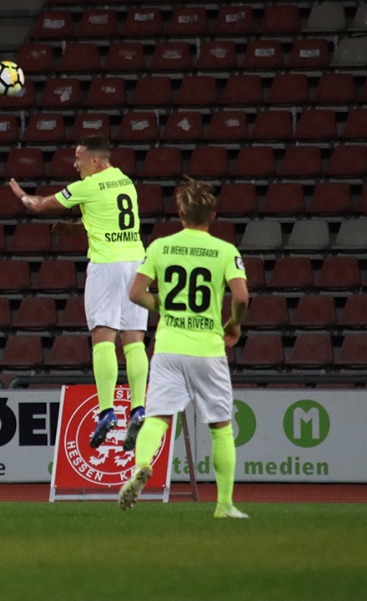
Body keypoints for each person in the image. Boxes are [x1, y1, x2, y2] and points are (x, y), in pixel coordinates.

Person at [118, 178, 250, 519]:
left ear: (180, 214)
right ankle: (224, 505)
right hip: (208, 349)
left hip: (168, 348)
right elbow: (241, 297)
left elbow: (135, 293)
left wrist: (163, 307)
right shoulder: (225, 251)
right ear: (213, 216)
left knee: (158, 418)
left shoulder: (160, 247)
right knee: (220, 427)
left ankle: (142, 464)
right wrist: (234, 324)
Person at [10, 136, 149, 451]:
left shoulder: (88, 186)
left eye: (78, 159)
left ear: (96, 161)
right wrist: (74, 228)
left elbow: (39, 205)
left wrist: (23, 196)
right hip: (137, 264)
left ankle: (107, 411)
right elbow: (105, 219)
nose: (75, 165)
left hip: (107, 265)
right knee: (134, 340)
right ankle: (139, 408)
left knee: (103, 337)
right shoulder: (125, 182)